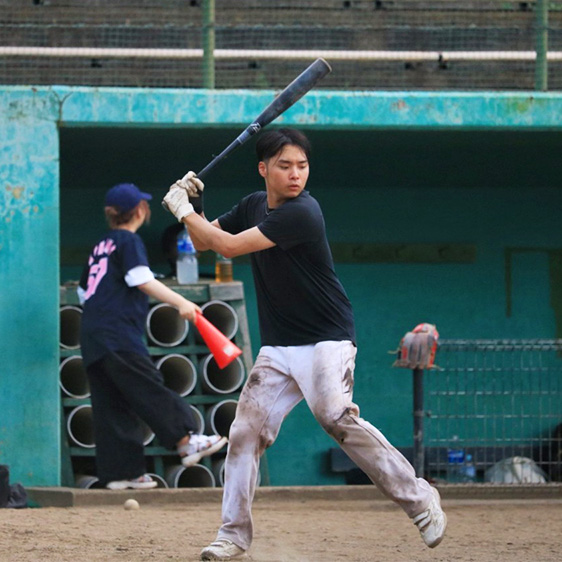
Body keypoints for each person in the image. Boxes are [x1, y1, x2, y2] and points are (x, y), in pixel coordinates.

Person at [163, 129, 447, 560]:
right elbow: (205, 243)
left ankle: (419, 498)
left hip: (327, 338)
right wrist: (195, 207)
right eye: (284, 165)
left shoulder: (303, 213)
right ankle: (233, 535)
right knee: (244, 433)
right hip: (280, 347)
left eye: (302, 165)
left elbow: (230, 246)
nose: (295, 174)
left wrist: (183, 210)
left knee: (334, 415)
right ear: (263, 169)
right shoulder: (253, 204)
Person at [78, 182, 227, 490]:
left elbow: (83, 292)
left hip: (92, 335)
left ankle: (122, 473)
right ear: (141, 211)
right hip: (118, 333)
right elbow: (140, 278)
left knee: (112, 402)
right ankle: (186, 440)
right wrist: (181, 301)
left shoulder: (99, 245)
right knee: (147, 387)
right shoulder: (127, 241)